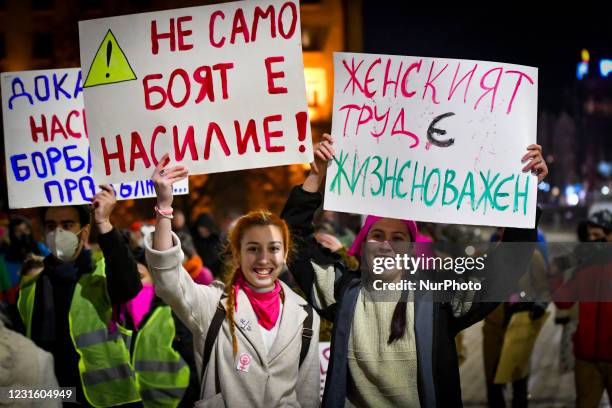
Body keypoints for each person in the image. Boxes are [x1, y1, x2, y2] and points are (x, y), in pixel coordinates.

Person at [281, 134, 548, 407]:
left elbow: (506, 267)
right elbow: (295, 243)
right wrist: (316, 175)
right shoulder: (342, 292)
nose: (386, 244)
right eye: (377, 235)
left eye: (398, 238)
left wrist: (526, 192)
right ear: (363, 244)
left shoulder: (438, 300)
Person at [144, 154, 320, 407]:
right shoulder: (213, 306)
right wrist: (164, 206)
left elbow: (308, 396)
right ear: (237, 253)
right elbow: (167, 279)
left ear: (285, 255)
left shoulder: (305, 315)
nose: (263, 259)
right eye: (252, 248)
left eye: (273, 248)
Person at [17, 186, 142, 407]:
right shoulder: (29, 289)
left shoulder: (101, 274)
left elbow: (129, 284)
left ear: (84, 232)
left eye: (67, 225)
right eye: (51, 226)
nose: (58, 233)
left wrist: (104, 223)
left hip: (110, 400)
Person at [553, 209, 612, 408]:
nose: (591, 241)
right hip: (586, 359)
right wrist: (556, 274)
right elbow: (563, 301)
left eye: (597, 235)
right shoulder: (585, 268)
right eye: (589, 236)